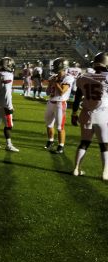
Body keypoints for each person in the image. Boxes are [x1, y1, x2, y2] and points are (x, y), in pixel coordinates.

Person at [71, 52, 108, 180]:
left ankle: (76, 168)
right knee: (104, 144)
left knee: (84, 142)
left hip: (86, 113)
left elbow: (76, 98)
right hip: (103, 114)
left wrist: (74, 113)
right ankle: (105, 173)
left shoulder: (83, 76)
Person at [44, 57, 74, 154]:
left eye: (57, 65)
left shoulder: (68, 77)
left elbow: (62, 92)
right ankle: (50, 141)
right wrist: (50, 84)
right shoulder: (53, 77)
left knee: (60, 127)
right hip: (50, 102)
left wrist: (56, 82)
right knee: (49, 125)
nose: (55, 68)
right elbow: (48, 92)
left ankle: (61, 146)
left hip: (60, 103)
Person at [0, 57, 19, 152]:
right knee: (9, 126)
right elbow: (6, 91)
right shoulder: (8, 75)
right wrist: (9, 106)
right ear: (7, 65)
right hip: (4, 104)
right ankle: (9, 145)